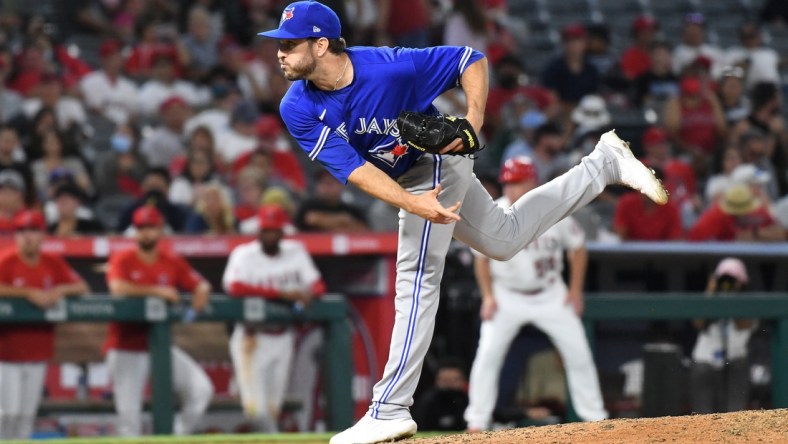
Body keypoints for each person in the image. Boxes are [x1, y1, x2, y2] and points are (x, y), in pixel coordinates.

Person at [258, 3, 666, 442]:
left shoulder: (388, 67)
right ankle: (602, 165)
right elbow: (356, 171)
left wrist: (472, 121)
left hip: (437, 158)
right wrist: (413, 205)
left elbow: (469, 59)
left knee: (417, 275)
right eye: (279, 44)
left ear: (321, 45)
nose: (279, 53)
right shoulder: (296, 105)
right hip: (407, 178)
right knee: (503, 239)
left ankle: (390, 407)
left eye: (289, 43)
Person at [464, 157, 607, 432]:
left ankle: (595, 419)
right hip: (507, 296)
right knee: (487, 356)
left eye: (517, 182)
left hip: (551, 294)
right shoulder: (495, 212)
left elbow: (578, 248)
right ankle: (476, 422)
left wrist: (575, 290)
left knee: (578, 355)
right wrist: (489, 297)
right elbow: (480, 258)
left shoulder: (551, 209)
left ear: (532, 182)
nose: (511, 189)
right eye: (508, 183)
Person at [103, 206, 214, 436]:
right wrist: (159, 291)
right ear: (135, 232)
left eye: (151, 228)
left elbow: (201, 285)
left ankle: (174, 437)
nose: (146, 233)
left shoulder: (171, 260)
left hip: (159, 346)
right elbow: (117, 288)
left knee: (201, 390)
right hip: (126, 346)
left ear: (160, 230)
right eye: (141, 228)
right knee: (129, 417)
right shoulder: (123, 258)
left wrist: (200, 293)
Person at [222, 204, 325, 431]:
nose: (270, 235)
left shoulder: (295, 251)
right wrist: (281, 294)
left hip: (282, 336)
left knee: (272, 409)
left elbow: (317, 285)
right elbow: (234, 287)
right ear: (258, 231)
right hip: (251, 337)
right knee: (256, 411)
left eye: (274, 230)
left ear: (282, 231)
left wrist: (308, 295)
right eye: (266, 230)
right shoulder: (244, 254)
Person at [0, 210, 89, 439]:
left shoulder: (52, 262)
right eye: (22, 231)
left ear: (43, 235)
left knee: (26, 415)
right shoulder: (6, 261)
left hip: (38, 350)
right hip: (6, 354)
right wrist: (27, 293)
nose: (27, 236)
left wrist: (58, 290)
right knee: (6, 413)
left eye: (33, 230)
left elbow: (82, 287)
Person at [690, 257, 757, 413]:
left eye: (732, 280)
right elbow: (697, 323)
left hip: (735, 363)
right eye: (724, 280)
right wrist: (711, 292)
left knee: (734, 414)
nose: (727, 284)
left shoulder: (750, 304)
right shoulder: (709, 302)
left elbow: (745, 324)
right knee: (703, 417)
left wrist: (732, 297)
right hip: (705, 362)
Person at [687, 184, 785, 242]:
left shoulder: (758, 212)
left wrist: (757, 234)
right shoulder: (714, 217)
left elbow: (782, 233)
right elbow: (694, 241)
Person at [411, 358, 469, 432]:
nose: (450, 384)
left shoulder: (470, 401)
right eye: (445, 380)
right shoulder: (427, 403)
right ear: (437, 381)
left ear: (464, 381)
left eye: (455, 380)